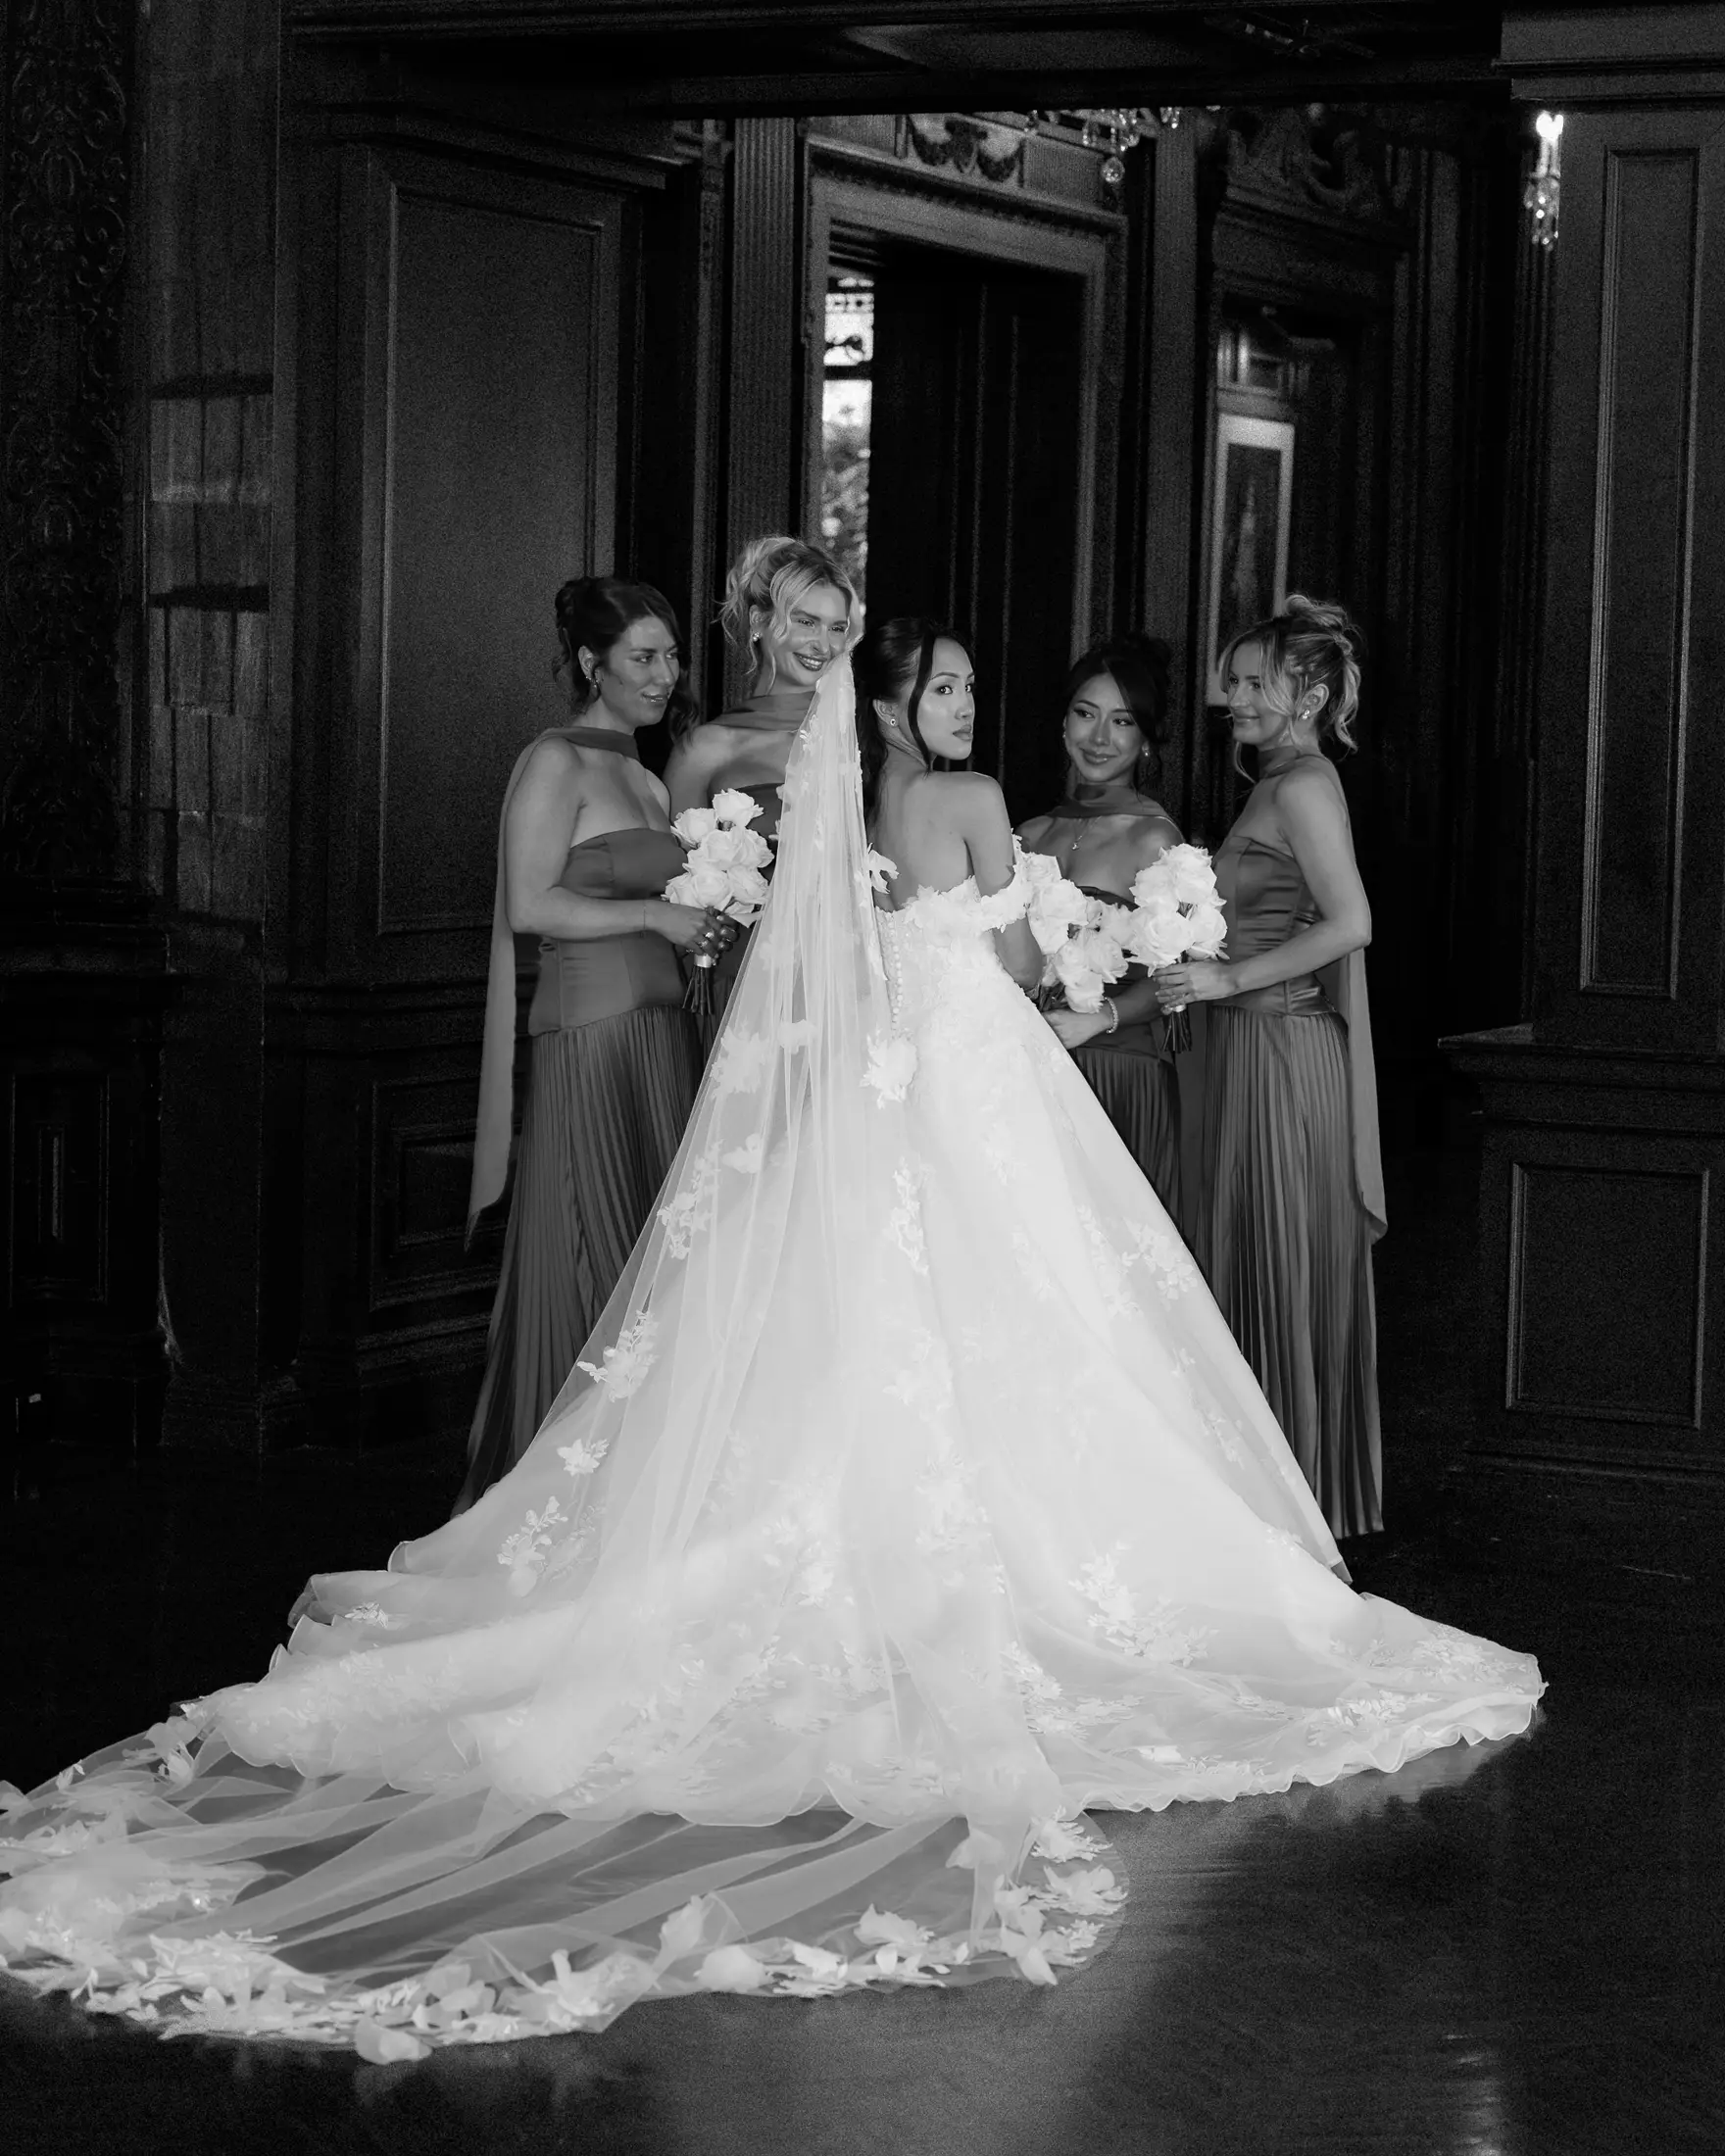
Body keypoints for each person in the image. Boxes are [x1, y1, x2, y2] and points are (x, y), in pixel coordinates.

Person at [0, 626, 1538, 2052]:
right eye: (946, 690)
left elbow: (860, 961)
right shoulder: (973, 803)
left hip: (893, 1095)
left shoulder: (855, 816)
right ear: (901, 708)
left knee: (884, 1327)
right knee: (1040, 1322)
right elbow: (1010, 964)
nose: (969, 710)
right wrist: (1059, 948)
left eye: (967, 691)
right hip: (979, 1085)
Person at [458, 577, 730, 1508]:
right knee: (593, 1252)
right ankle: (555, 1500)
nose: (665, 674)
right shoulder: (555, 762)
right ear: (590, 662)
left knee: (658, 1271)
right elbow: (530, 905)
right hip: (591, 1040)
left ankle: (637, 1503)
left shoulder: (648, 780)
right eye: (643, 657)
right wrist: (658, 915)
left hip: (662, 1038)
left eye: (671, 656)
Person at [1153, 598, 1385, 1540]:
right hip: (1248, 1049)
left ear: (1311, 696)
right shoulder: (1280, 781)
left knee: (1278, 1265)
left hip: (1281, 1052)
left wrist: (1226, 977)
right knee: (1249, 1259)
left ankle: (1291, 1511)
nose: (1234, 699)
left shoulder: (1303, 788)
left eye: (1254, 684)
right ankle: (1268, 1504)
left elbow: (1352, 923)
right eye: (1233, 682)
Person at [1018, 637, 1185, 1218]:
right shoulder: (1028, 834)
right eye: (1086, 714)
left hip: (1117, 1067)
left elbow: (1178, 980)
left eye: (1122, 721)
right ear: (1063, 723)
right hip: (1030, 1067)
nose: (1099, 737)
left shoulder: (1155, 837)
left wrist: (1099, 1018)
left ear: (1145, 739)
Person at [664, 534, 857, 1028]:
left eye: (837, 627)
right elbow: (672, 888)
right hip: (736, 981)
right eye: (806, 621)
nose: (824, 645)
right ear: (758, 621)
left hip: (844, 984)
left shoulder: (861, 742)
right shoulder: (707, 748)